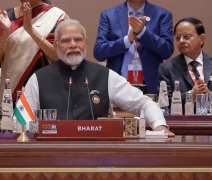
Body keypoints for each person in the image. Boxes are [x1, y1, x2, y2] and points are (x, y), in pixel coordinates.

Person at [22, 20, 170, 132]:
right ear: (55, 46)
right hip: (52, 154)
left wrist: (160, 126)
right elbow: (21, 119)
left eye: (78, 39)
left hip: (97, 154)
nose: (73, 45)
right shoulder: (38, 78)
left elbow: (143, 102)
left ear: (86, 43)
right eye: (66, 40)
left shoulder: (105, 75)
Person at [93, 0, 174, 93]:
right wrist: (127, 40)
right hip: (118, 85)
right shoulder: (109, 15)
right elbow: (99, 52)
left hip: (150, 86)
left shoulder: (162, 15)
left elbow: (167, 51)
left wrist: (142, 33)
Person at [0, 0, 68, 94]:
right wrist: (6, 31)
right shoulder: (8, 17)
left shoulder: (56, 16)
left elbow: (60, 56)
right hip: (11, 92)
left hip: (45, 89)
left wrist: (30, 30)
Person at [158, 18, 212, 104]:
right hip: (185, 117)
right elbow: (165, 102)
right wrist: (191, 95)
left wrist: (210, 95)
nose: (181, 41)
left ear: (201, 39)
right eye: (178, 38)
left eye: (186, 37)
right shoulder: (167, 68)